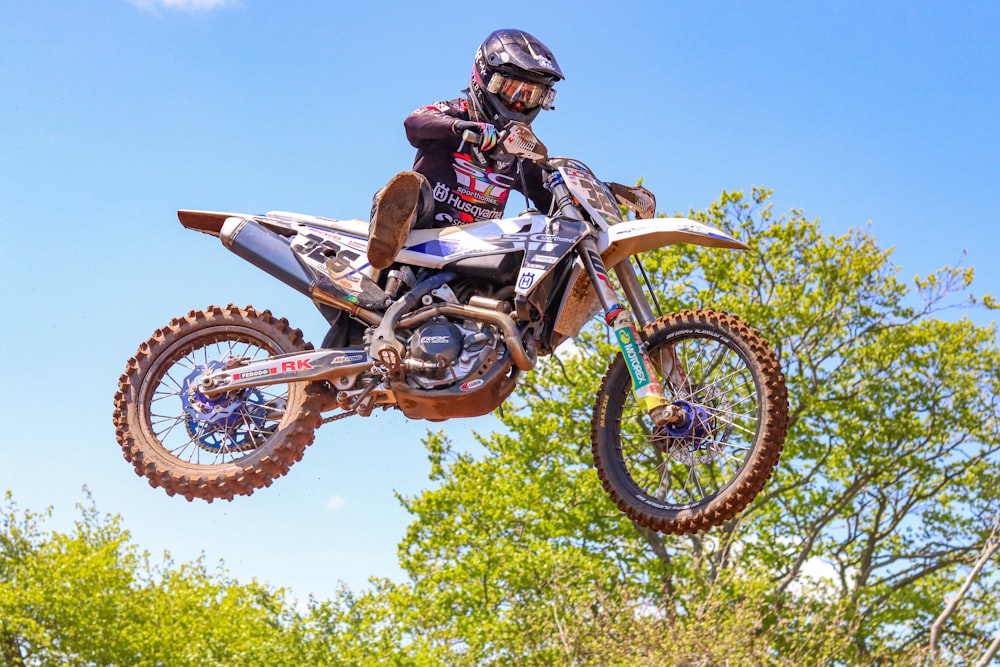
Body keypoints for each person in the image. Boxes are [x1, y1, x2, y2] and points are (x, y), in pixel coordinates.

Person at [366, 28, 564, 270]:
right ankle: (384, 242)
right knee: (412, 185)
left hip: (476, 249)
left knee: (539, 228)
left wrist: (581, 202)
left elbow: (547, 196)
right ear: (487, 79)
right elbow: (414, 122)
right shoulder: (457, 112)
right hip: (424, 230)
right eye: (513, 90)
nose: (520, 102)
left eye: (532, 95)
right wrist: (459, 127)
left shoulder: (521, 150)